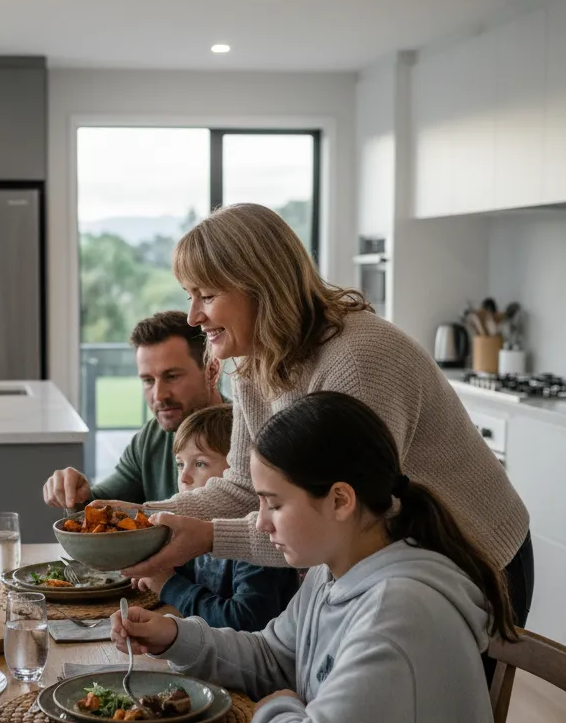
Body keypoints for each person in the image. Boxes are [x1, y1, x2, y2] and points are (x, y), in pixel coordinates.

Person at [112, 393, 514, 723]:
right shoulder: (334, 572)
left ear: (341, 500)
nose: (260, 523)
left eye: (274, 504)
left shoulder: (399, 615)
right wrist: (175, 637)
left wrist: (278, 706)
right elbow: (274, 656)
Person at [124, 203, 534, 627]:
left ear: (261, 286)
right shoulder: (255, 359)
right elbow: (244, 488)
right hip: (396, 568)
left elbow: (338, 521)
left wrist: (207, 537)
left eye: (207, 296)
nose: (194, 316)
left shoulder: (357, 360)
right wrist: (136, 520)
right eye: (190, 296)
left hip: (474, 561)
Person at [135, 402, 297, 630]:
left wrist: (169, 585)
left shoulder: (260, 538)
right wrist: (152, 565)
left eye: (200, 463)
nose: (184, 477)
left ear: (240, 470)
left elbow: (244, 622)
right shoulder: (195, 526)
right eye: (180, 464)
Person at [42, 310, 223, 508]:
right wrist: (77, 494)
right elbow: (98, 503)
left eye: (172, 377)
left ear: (212, 371)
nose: (158, 395)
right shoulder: (150, 438)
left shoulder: (241, 435)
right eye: (148, 380)